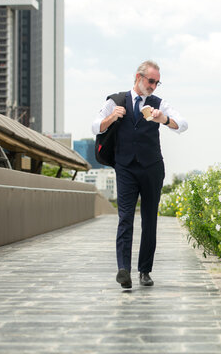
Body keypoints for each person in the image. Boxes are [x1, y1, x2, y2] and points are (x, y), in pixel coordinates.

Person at [92, 60, 188, 288]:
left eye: (157, 82)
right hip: (125, 167)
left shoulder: (158, 103)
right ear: (138, 77)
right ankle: (123, 270)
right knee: (125, 217)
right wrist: (111, 117)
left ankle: (145, 270)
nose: (154, 86)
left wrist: (162, 119)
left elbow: (183, 124)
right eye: (150, 81)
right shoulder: (115, 101)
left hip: (152, 168)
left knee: (149, 219)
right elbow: (95, 127)